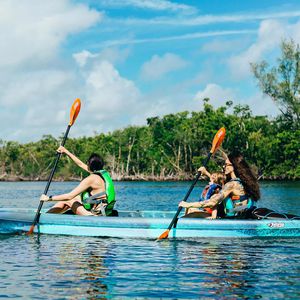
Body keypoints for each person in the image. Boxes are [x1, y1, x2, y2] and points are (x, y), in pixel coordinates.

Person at [179, 150, 260, 219]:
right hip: (238, 216)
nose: (224, 167)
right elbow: (220, 185)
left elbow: (212, 202)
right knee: (192, 211)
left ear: (233, 166)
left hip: (231, 219)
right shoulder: (243, 182)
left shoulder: (232, 184)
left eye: (226, 164)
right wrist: (206, 173)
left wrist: (188, 204)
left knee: (192, 213)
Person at [40, 146, 116, 216]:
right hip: (104, 211)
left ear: (90, 165)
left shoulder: (90, 179)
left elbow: (69, 196)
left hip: (96, 215)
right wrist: (66, 151)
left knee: (69, 200)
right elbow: (80, 164)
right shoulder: (102, 174)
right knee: (75, 198)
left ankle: (44, 216)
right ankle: (49, 215)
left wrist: (48, 198)